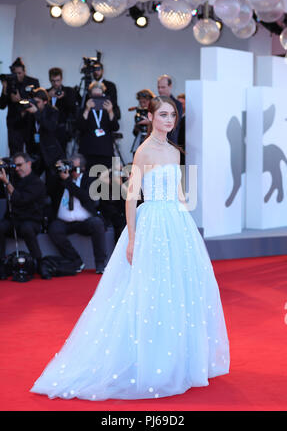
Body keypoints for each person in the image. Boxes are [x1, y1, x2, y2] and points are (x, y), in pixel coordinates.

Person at [30, 95, 230, 401]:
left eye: (173, 115)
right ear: (150, 117)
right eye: (163, 115)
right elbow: (131, 196)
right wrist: (133, 238)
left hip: (177, 223)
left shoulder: (175, 152)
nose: (169, 120)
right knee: (147, 289)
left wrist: (186, 224)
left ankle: (179, 360)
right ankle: (149, 360)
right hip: (151, 223)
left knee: (179, 289)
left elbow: (178, 192)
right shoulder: (144, 151)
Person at [48, 154, 107, 274]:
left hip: (85, 222)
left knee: (97, 224)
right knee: (54, 228)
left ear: (83, 168)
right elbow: (49, 189)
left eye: (74, 169)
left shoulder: (89, 180)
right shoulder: (60, 180)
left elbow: (85, 197)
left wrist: (68, 182)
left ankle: (100, 263)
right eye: (69, 168)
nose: (71, 171)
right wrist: (57, 168)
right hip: (65, 222)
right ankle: (75, 261)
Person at [0, 152, 48, 280]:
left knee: (27, 228)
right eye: (15, 166)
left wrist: (7, 183)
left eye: (20, 165)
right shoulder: (13, 177)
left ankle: (40, 263)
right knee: (1, 227)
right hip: (13, 220)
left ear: (29, 163)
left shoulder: (37, 182)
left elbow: (21, 200)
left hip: (31, 221)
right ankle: (1, 266)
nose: (17, 168)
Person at [77, 81, 120, 171]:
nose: (97, 99)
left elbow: (115, 127)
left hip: (105, 151)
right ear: (90, 95)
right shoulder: (85, 109)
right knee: (90, 180)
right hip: (89, 151)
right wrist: (87, 109)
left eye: (99, 96)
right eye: (94, 96)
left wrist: (110, 111)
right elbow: (80, 127)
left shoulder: (107, 109)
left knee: (105, 180)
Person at [0, 57, 40, 155]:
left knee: (32, 152)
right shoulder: (9, 83)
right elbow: (2, 105)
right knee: (15, 153)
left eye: (20, 73)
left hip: (29, 122)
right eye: (15, 73)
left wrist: (20, 100)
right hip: (14, 124)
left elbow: (36, 102)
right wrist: (4, 89)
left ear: (24, 71)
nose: (17, 76)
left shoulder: (33, 82)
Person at [46, 67, 78, 156]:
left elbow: (72, 109)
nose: (56, 83)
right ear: (49, 80)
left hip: (62, 129)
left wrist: (64, 97)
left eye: (58, 80)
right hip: (48, 130)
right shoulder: (46, 92)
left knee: (63, 155)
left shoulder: (68, 91)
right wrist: (48, 96)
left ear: (61, 79)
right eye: (53, 81)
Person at [157, 74, 183, 145]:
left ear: (170, 86)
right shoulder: (155, 103)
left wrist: (152, 122)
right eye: (158, 87)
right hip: (155, 143)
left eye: (163, 87)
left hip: (170, 143)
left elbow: (173, 124)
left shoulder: (177, 104)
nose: (160, 90)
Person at [130, 89, 155, 155]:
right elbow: (135, 133)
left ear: (151, 101)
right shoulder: (139, 113)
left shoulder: (156, 113)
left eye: (144, 102)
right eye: (140, 103)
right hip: (139, 143)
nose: (142, 105)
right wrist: (137, 126)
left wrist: (150, 123)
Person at [177, 93, 186, 165]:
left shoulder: (188, 119)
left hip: (185, 152)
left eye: (182, 104)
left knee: (191, 175)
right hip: (177, 152)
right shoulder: (175, 118)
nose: (179, 106)